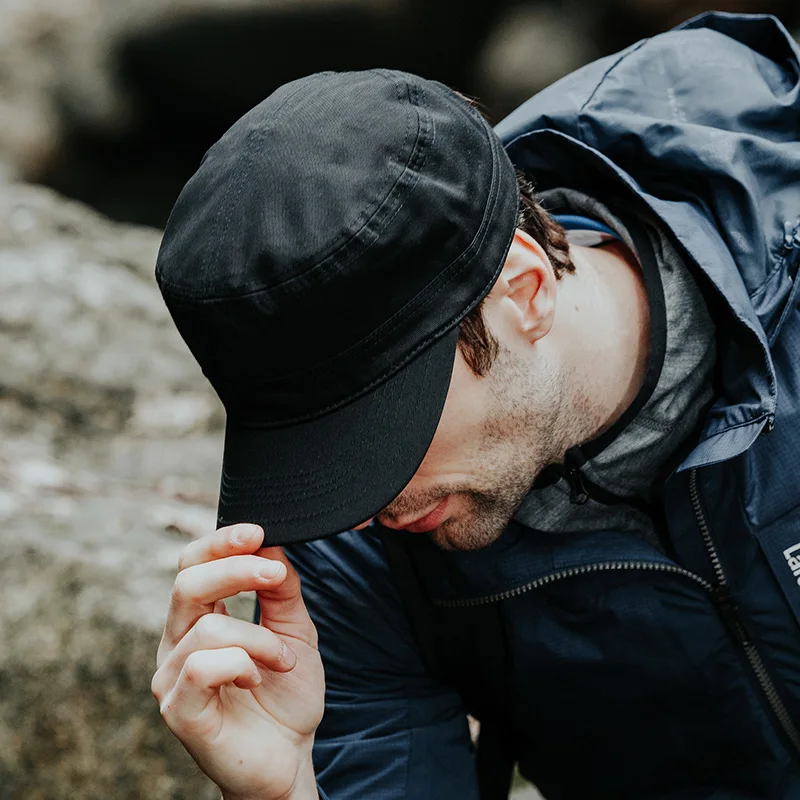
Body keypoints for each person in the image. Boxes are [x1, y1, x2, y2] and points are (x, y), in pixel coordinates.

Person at [150, 12, 800, 800]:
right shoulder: (345, 553)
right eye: (315, 446)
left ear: (524, 292)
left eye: (377, 427)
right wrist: (291, 789)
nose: (354, 509)